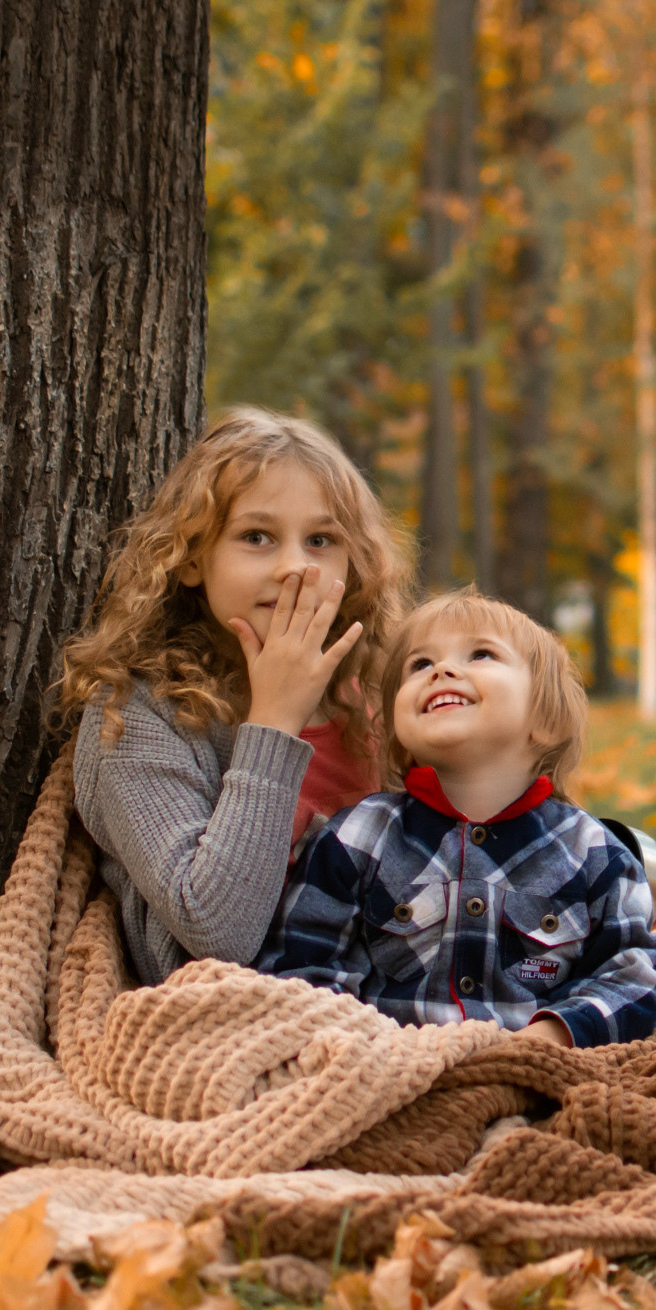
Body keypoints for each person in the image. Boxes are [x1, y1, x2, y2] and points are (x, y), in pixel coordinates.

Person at [57, 409, 409, 987]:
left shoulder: (380, 696)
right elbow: (220, 934)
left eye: (321, 540)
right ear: (193, 557)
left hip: (400, 1005)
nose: (295, 565)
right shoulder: (138, 716)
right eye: (256, 537)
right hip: (239, 1016)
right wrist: (274, 720)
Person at [259, 590, 656, 1047]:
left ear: (546, 718)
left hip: (535, 1074)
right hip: (391, 1073)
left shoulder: (590, 852)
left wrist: (555, 1035)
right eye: (419, 665)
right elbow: (300, 967)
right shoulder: (359, 838)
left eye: (481, 654)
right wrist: (358, 1049)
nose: (442, 670)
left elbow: (636, 972)